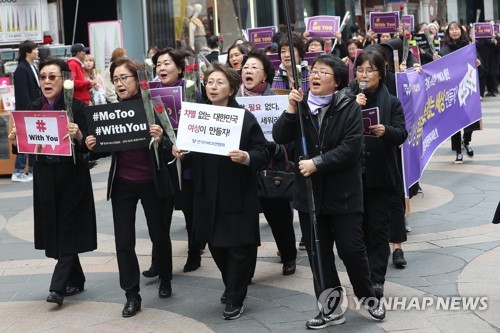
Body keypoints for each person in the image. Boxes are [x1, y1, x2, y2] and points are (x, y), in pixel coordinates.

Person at [273, 54, 386, 328]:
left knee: (351, 251)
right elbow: (279, 137)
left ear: (336, 82)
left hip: (343, 193)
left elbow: (351, 147)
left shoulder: (347, 106)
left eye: (323, 73)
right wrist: (290, 109)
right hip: (309, 195)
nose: (316, 76)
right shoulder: (300, 106)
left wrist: (317, 163)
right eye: (314, 71)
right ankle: (331, 308)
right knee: (318, 255)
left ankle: (368, 297)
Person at [173, 62, 268, 320]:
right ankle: (233, 285)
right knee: (215, 245)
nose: (213, 87)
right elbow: (190, 155)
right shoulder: (199, 116)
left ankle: (236, 295)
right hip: (206, 193)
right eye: (210, 82)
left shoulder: (243, 118)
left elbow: (262, 152)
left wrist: (246, 156)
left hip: (236, 192)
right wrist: (180, 152)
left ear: (232, 88)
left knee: (237, 247)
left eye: (219, 83)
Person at [85, 58, 175, 318]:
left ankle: (166, 278)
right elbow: (101, 151)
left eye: (125, 78)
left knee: (159, 235)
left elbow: (174, 144)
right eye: (115, 79)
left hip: (152, 181)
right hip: (123, 183)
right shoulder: (110, 113)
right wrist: (91, 145)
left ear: (138, 79)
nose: (120, 83)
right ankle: (131, 294)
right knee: (124, 241)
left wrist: (162, 139)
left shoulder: (154, 107)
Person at [8, 57, 97, 306]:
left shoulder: (77, 108)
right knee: (56, 228)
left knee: (68, 226)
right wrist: (17, 140)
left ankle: (57, 287)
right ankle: (76, 277)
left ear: (64, 80)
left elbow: (92, 146)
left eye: (52, 77)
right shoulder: (34, 106)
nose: (47, 81)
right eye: (44, 77)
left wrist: (79, 135)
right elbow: (27, 147)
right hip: (45, 176)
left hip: (72, 175)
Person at [141, 47, 202, 277]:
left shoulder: (191, 90)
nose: (162, 68)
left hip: (185, 158)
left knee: (189, 210)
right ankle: (158, 261)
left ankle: (194, 252)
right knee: (160, 215)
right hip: (160, 158)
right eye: (158, 65)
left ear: (179, 68)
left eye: (167, 64)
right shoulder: (149, 92)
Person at [352, 50, 408, 299]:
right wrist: (352, 109)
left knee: (377, 230)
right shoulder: (347, 97)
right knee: (356, 233)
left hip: (380, 176)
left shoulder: (392, 102)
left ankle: (377, 279)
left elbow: (402, 133)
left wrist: (386, 131)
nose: (364, 75)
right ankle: (362, 277)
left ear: (381, 73)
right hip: (351, 177)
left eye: (369, 70)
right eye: (360, 70)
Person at [237, 49, 297, 276]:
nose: (248, 72)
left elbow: (288, 140)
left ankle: (288, 254)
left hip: (271, 168)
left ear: (265, 76)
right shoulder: (233, 101)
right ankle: (246, 270)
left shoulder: (277, 100)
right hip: (242, 168)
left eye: (254, 68)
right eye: (245, 68)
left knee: (279, 216)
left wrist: (276, 147)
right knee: (246, 221)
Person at [439, 21, 482, 163]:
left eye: (456, 28)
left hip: (468, 89)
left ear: (461, 30)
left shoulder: (469, 48)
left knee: (469, 119)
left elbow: (479, 67)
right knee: (454, 122)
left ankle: (467, 141)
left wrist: (478, 63)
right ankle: (458, 151)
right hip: (452, 91)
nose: (454, 31)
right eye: (451, 29)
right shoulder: (444, 51)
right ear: (448, 33)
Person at [11, 40, 41, 182]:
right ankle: (18, 171)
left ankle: (33, 170)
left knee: (32, 140)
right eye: (35, 49)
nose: (38, 51)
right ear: (28, 52)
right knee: (24, 141)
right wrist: (30, 110)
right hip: (26, 111)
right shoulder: (21, 69)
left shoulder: (32, 67)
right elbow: (23, 95)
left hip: (33, 109)